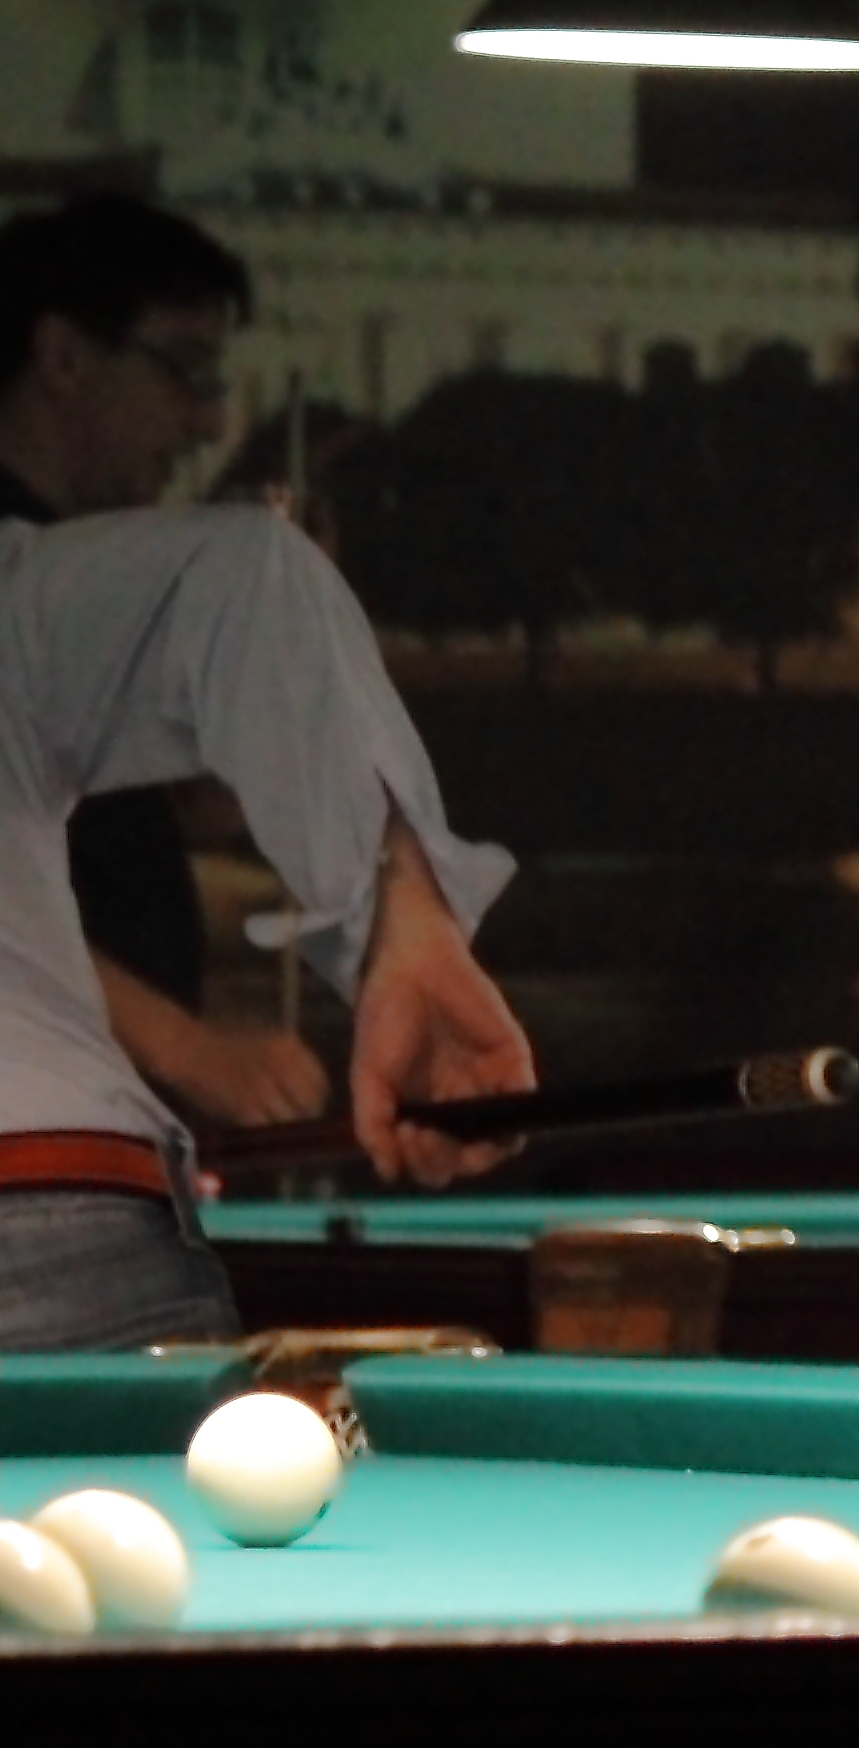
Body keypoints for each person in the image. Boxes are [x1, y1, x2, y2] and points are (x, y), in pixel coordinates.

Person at [0, 491, 535, 1346]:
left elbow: (241, 579)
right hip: (69, 1213)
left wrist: (402, 930)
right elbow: (242, 578)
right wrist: (402, 919)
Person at [0, 197, 330, 1130]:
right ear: (62, 356)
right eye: (185, 370)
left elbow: (205, 804)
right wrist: (187, 1049)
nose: (207, 420)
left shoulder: (84, 566)